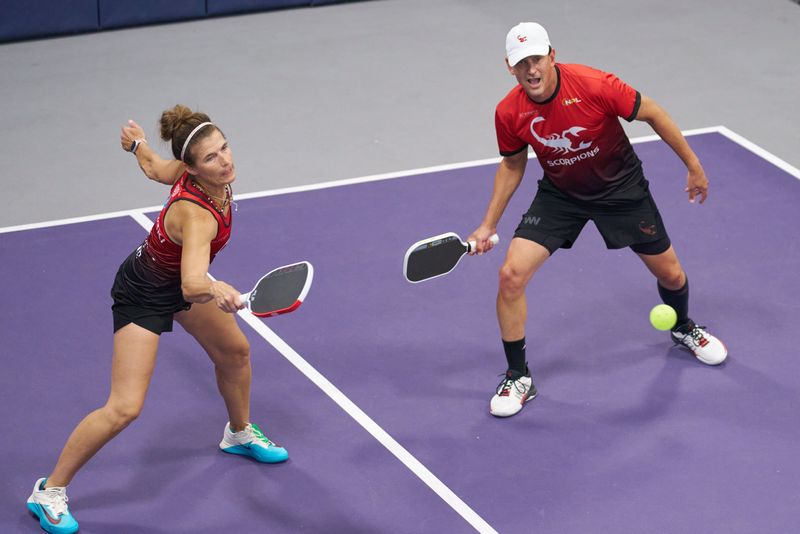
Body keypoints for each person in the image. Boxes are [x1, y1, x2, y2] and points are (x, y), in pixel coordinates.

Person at [27, 105, 288, 534]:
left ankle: (238, 432)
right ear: (193, 167)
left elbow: (152, 168)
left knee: (235, 353)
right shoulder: (198, 215)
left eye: (224, 148)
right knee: (125, 407)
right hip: (144, 293)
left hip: (177, 279)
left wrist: (136, 145)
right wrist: (218, 287)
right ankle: (49, 490)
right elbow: (190, 286)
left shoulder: (190, 175)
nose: (224, 161)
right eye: (211, 158)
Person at [467, 23, 728, 419]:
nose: (531, 69)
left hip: (621, 190)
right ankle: (518, 375)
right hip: (561, 195)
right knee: (511, 276)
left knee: (672, 275)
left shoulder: (595, 85)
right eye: (522, 63)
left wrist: (693, 166)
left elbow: (653, 112)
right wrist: (488, 225)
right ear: (510, 67)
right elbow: (512, 163)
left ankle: (683, 326)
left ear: (552, 55)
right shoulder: (509, 111)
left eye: (537, 59)